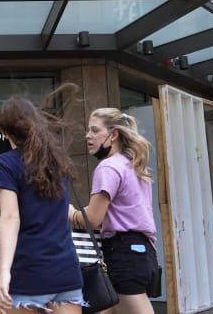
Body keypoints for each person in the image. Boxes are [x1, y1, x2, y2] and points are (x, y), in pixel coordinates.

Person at [0, 94, 84, 314]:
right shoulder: (57, 162)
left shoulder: (5, 163)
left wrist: (4, 273)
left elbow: (11, 217)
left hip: (29, 272)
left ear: (2, 130)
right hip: (67, 272)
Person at [68, 108, 159, 314]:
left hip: (122, 254)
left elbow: (93, 219)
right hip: (143, 253)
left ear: (113, 134)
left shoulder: (107, 168)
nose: (87, 136)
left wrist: (71, 213)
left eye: (94, 130)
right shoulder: (133, 166)